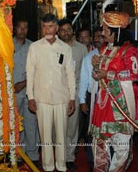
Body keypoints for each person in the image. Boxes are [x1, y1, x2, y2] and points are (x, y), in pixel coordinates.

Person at [90, 11, 138, 172]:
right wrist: (96, 70)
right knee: (99, 145)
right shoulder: (105, 49)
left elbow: (134, 75)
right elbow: (101, 74)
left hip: (120, 105)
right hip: (103, 104)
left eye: (106, 30)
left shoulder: (129, 50)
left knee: (121, 147)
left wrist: (108, 74)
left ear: (115, 31)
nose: (102, 33)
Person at [26, 13, 76, 172]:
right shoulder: (34, 47)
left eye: (50, 26)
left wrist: (72, 98)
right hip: (41, 98)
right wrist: (31, 97)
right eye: (44, 26)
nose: (47, 29)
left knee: (61, 135)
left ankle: (61, 166)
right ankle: (47, 167)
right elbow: (30, 73)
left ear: (56, 28)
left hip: (62, 98)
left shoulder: (65, 48)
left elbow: (70, 75)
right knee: (45, 136)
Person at [57, 18, 87, 171]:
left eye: (68, 29)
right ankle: (58, 157)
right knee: (57, 127)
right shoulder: (54, 48)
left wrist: (82, 97)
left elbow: (85, 73)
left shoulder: (81, 49)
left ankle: (69, 158)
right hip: (57, 92)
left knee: (72, 127)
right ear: (58, 32)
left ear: (72, 31)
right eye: (63, 30)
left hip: (73, 93)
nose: (66, 32)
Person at [13, 19, 40, 166]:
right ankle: (18, 154)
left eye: (26, 27)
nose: (23, 30)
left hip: (30, 91)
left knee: (31, 124)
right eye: (20, 27)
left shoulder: (33, 46)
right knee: (17, 124)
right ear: (14, 29)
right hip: (13, 92)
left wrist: (24, 83)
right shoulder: (7, 44)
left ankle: (33, 155)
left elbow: (38, 70)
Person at [78, 26, 105, 172]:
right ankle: (91, 161)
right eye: (96, 37)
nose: (98, 39)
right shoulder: (89, 57)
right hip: (93, 97)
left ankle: (108, 161)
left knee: (107, 131)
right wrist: (82, 101)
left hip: (109, 98)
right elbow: (83, 81)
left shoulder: (114, 55)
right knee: (91, 132)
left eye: (101, 36)